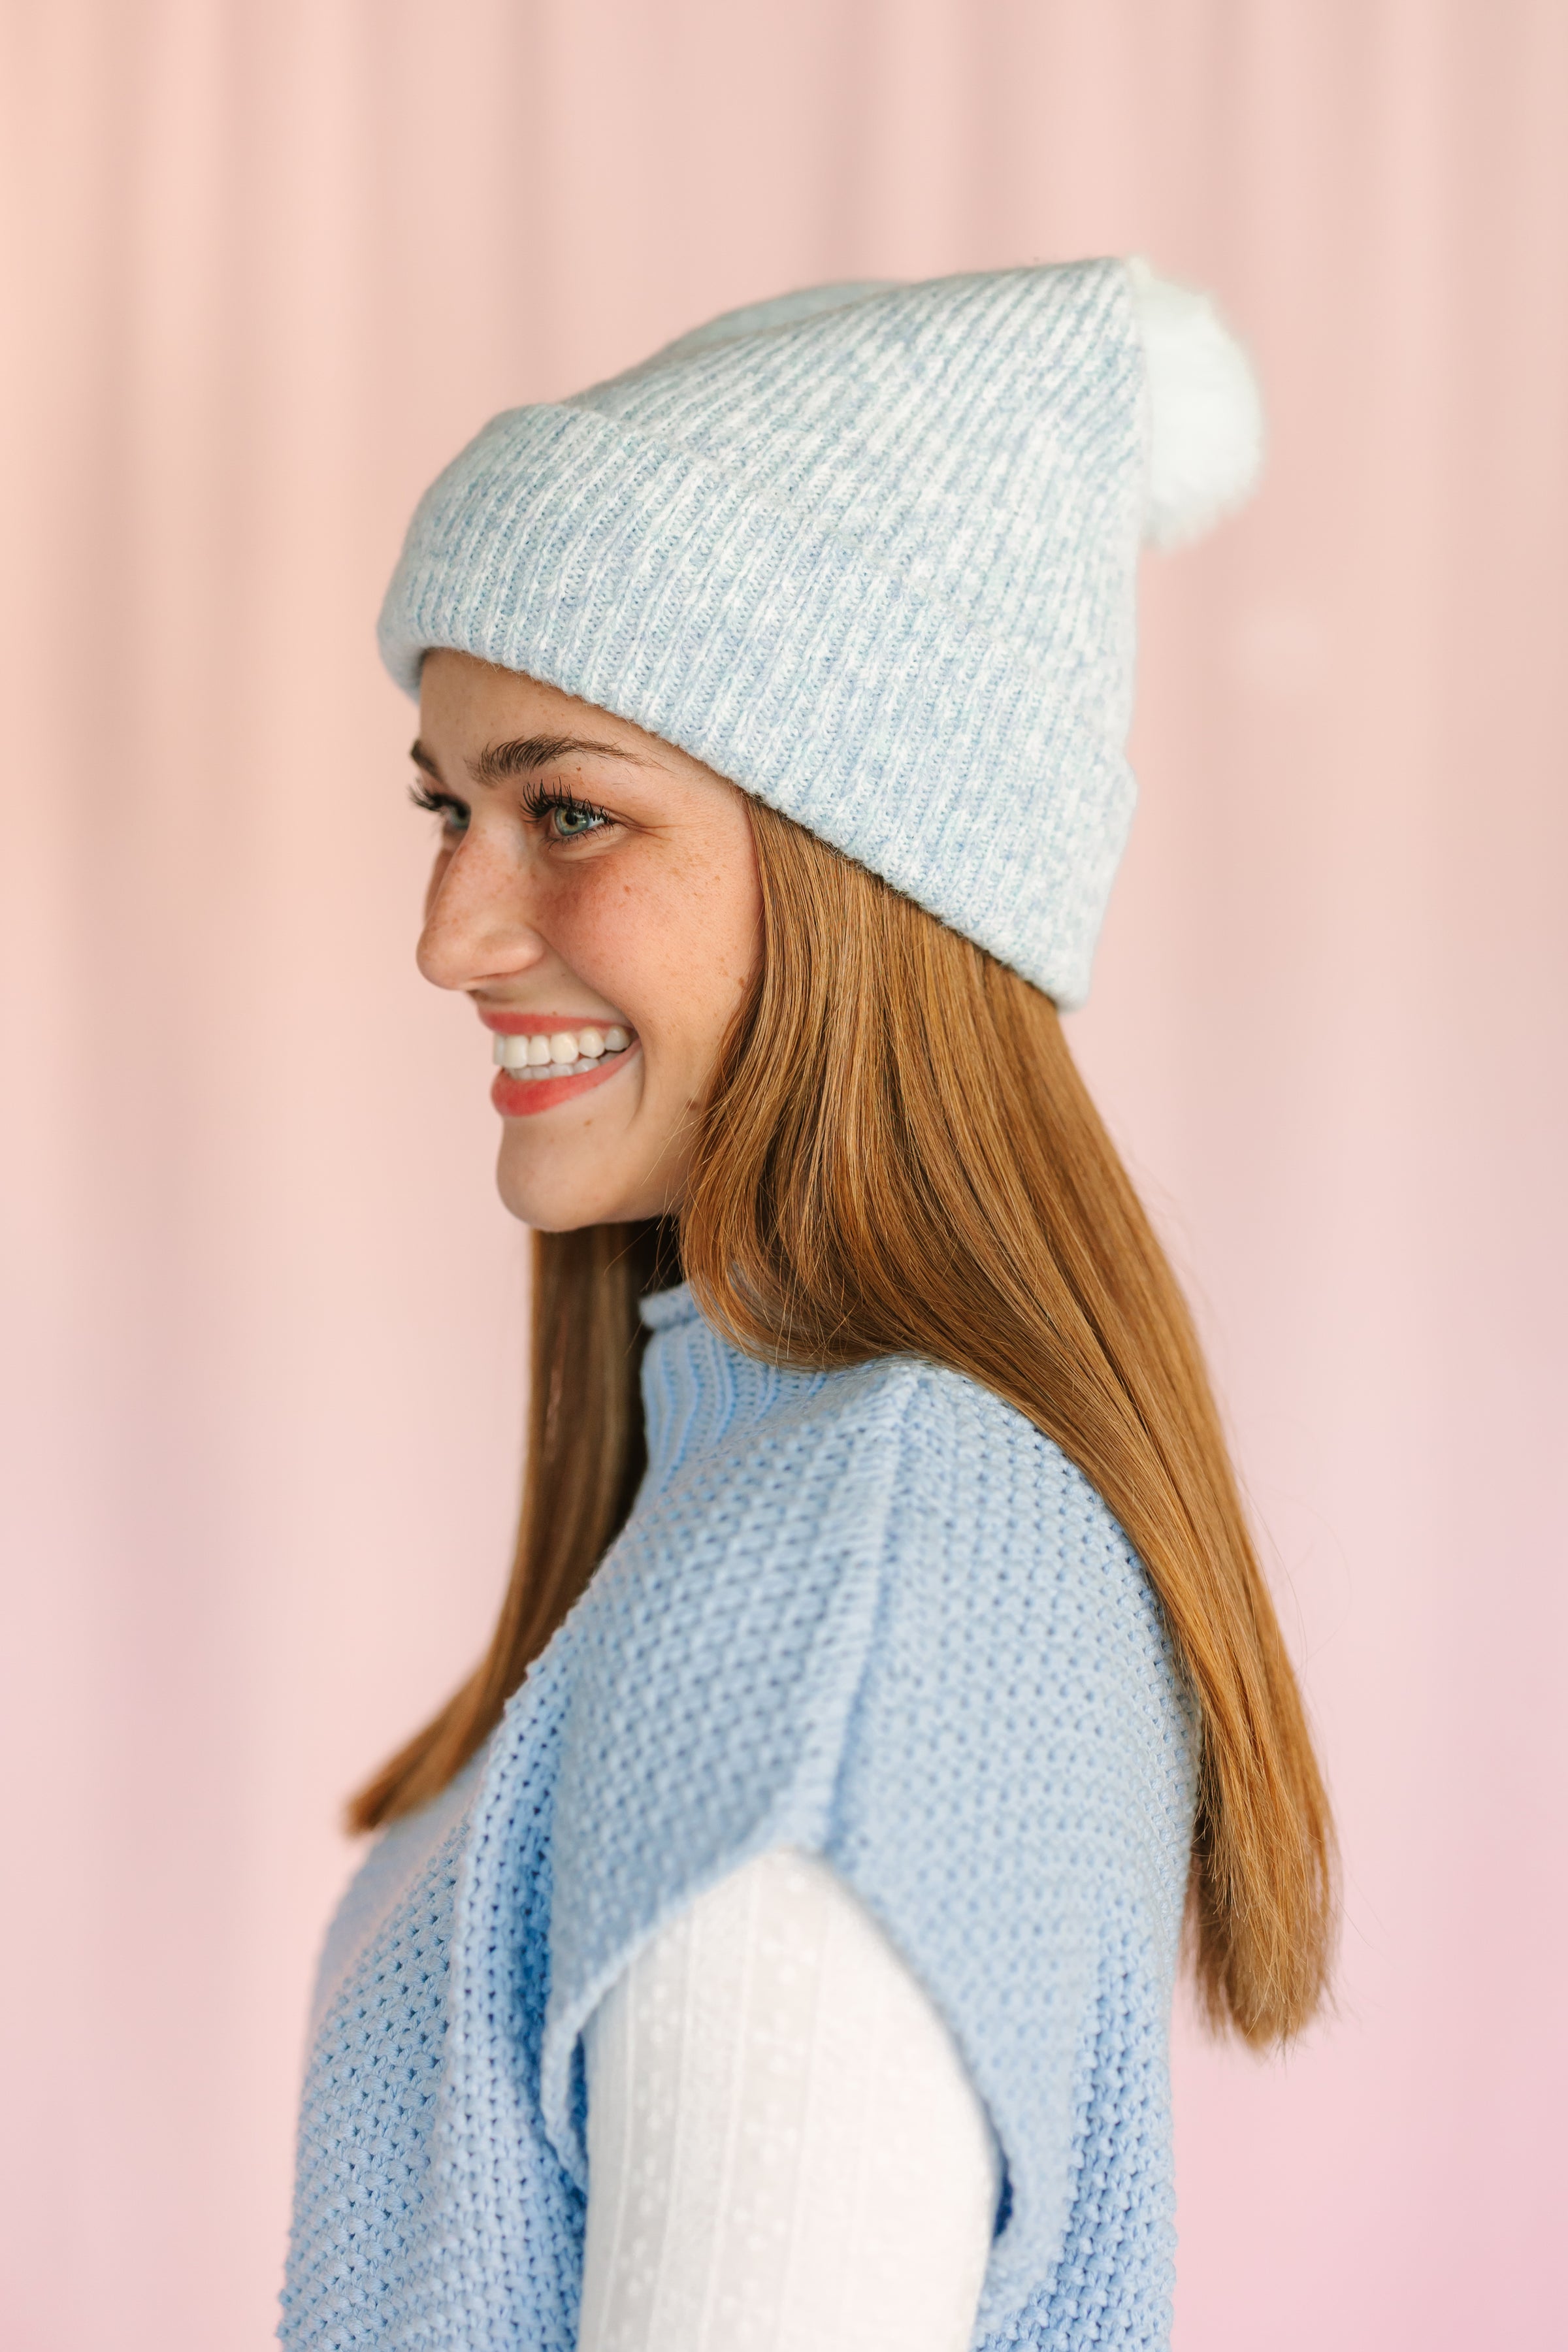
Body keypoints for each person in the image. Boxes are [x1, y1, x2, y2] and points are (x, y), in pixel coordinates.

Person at [280, 259, 1336, 2352]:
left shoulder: (856, 1587)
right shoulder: (807, 1507)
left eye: (566, 811)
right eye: (448, 807)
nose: (450, 932)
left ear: (873, 865)